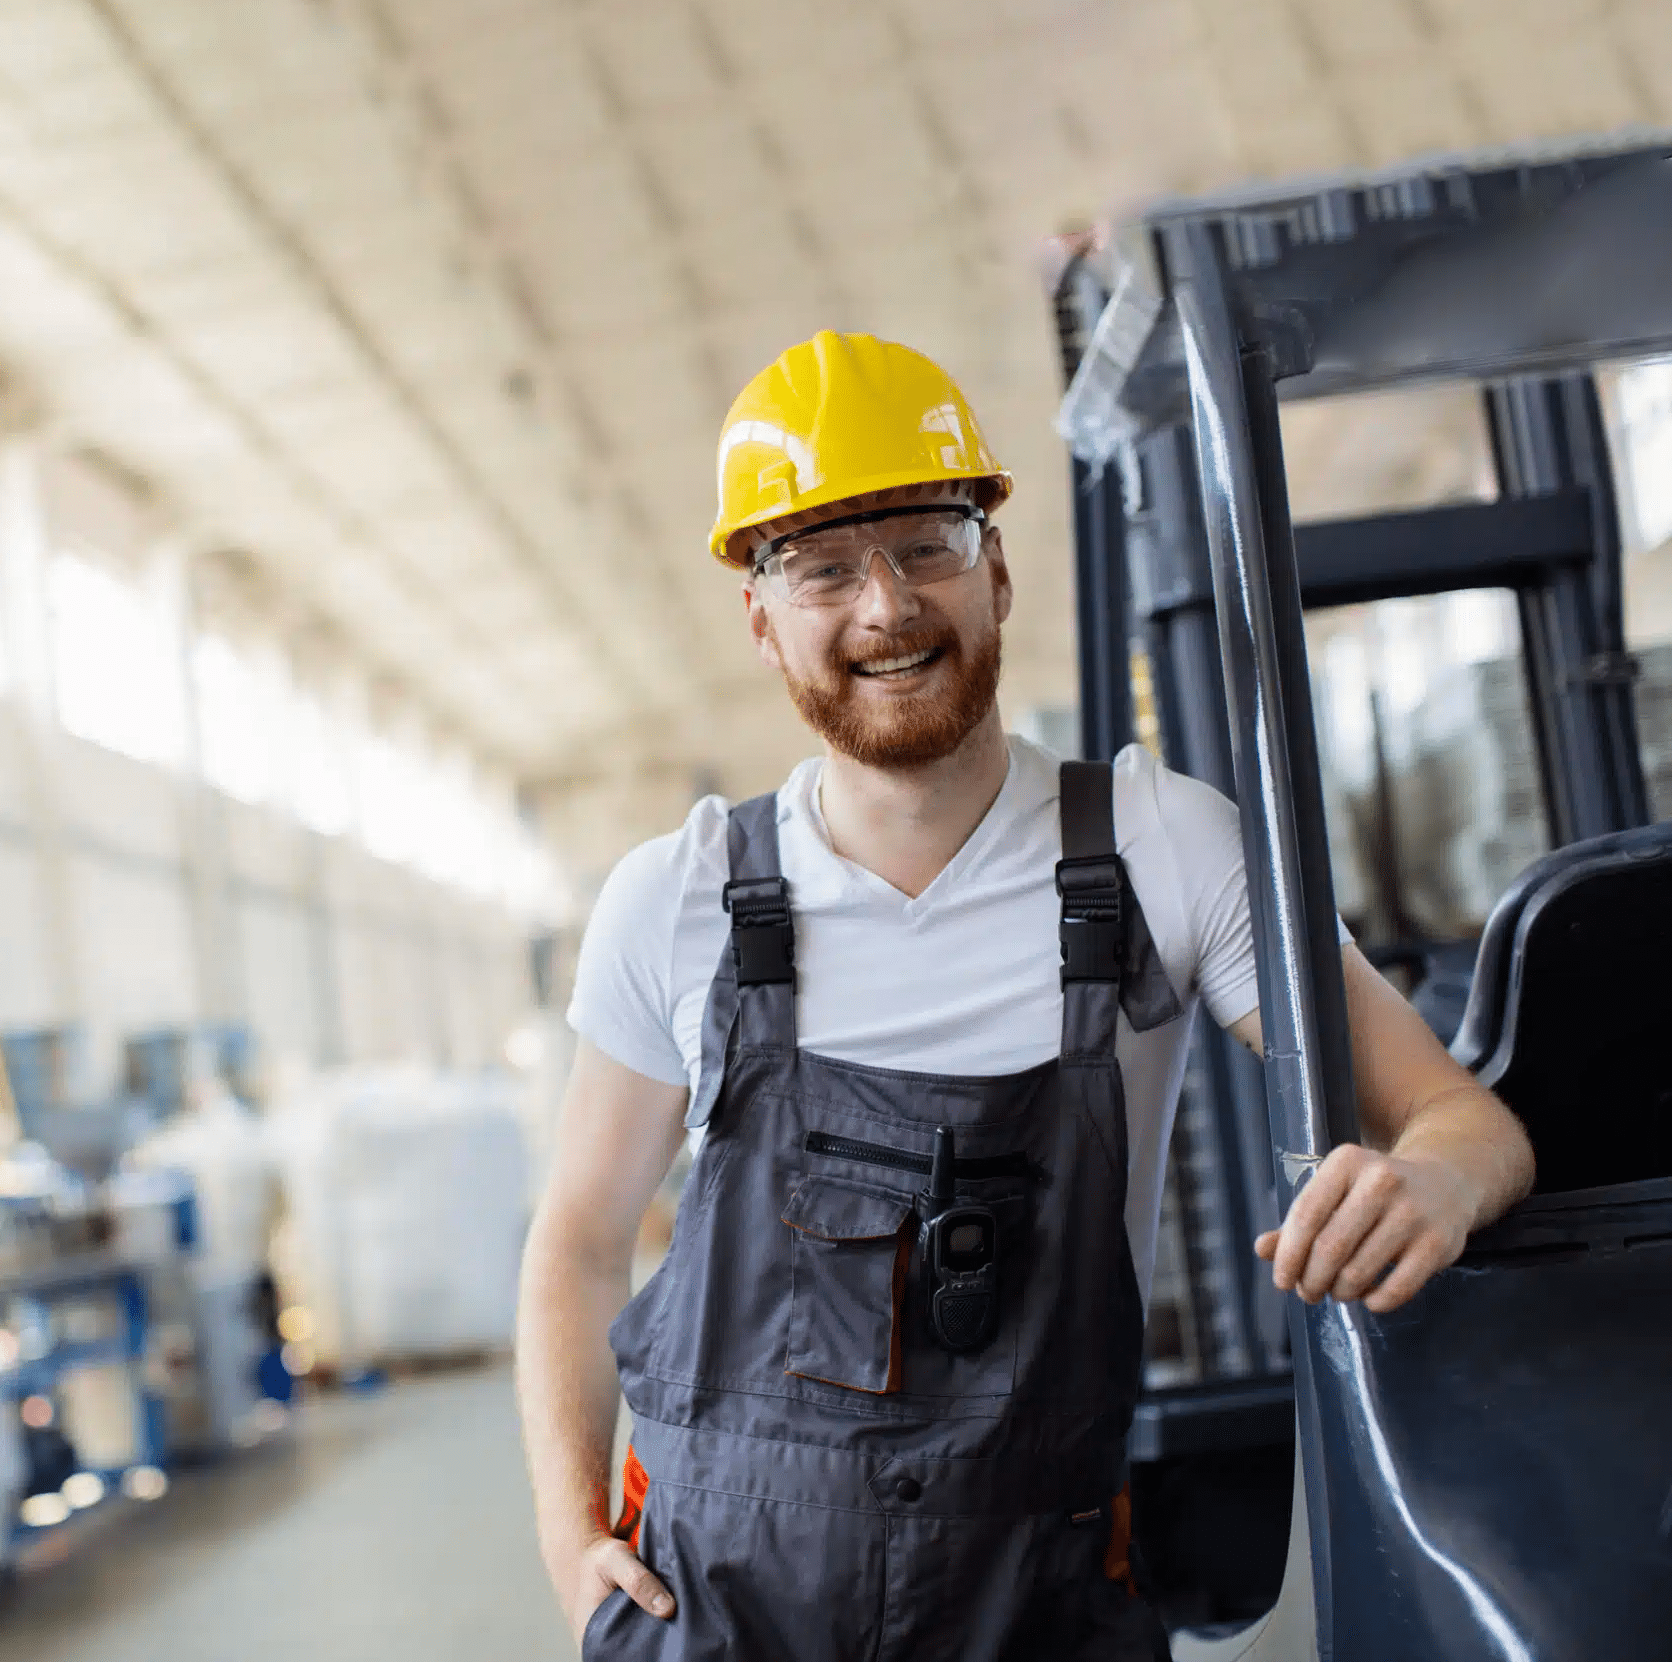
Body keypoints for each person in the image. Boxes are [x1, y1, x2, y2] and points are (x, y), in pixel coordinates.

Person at [516, 330, 1534, 1660]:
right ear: (761, 617)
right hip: (716, 1616)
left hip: (1035, 1613)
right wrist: (567, 1531)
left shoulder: (1156, 852)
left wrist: (1438, 1186)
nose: (885, 606)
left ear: (995, 568)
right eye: (823, 565)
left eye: (926, 544)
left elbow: (1460, 1117)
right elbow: (581, 1239)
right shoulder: (680, 898)